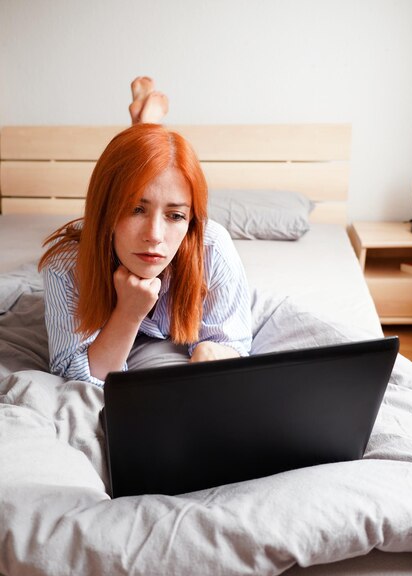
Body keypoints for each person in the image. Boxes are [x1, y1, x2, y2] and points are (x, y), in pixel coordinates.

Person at [39, 76, 252, 387]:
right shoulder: (66, 264)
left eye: (176, 215)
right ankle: (145, 125)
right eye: (135, 209)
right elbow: (75, 373)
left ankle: (145, 125)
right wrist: (128, 312)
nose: (155, 235)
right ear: (105, 211)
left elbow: (234, 344)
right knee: (131, 172)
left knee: (143, 173)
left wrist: (209, 352)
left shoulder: (212, 247)